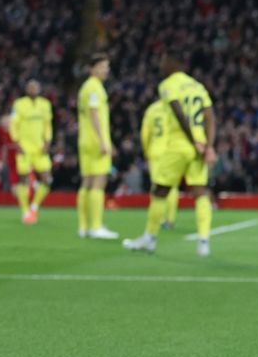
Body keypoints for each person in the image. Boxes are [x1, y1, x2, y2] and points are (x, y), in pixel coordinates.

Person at [124, 53, 216, 257]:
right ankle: (203, 241)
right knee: (200, 191)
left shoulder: (168, 84)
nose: (160, 65)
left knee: (160, 190)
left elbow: (178, 113)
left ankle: (149, 238)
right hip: (199, 143)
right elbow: (210, 116)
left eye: (162, 61)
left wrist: (192, 141)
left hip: (178, 145)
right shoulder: (197, 86)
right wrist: (208, 146)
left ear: (172, 63)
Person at [76, 53, 119, 240]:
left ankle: (84, 226)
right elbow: (94, 114)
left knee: (86, 182)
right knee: (99, 182)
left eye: (107, 67)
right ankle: (96, 226)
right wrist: (103, 141)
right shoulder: (94, 88)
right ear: (92, 69)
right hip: (95, 140)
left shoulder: (86, 87)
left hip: (85, 139)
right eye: (102, 66)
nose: (106, 70)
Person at [10, 79, 53, 225]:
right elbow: (13, 124)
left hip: (40, 147)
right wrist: (16, 142)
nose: (33, 89)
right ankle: (25, 211)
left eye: (36, 86)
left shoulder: (45, 104)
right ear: (26, 89)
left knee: (46, 179)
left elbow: (48, 125)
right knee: (23, 179)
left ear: (39, 88)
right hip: (24, 147)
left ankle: (34, 206)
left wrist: (47, 141)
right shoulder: (19, 104)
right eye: (30, 87)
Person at [140, 98, 179, 229]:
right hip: (170, 150)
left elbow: (145, 134)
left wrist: (146, 151)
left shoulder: (151, 109)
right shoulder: (173, 107)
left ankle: (158, 218)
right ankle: (171, 218)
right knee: (172, 186)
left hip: (155, 151)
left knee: (156, 186)